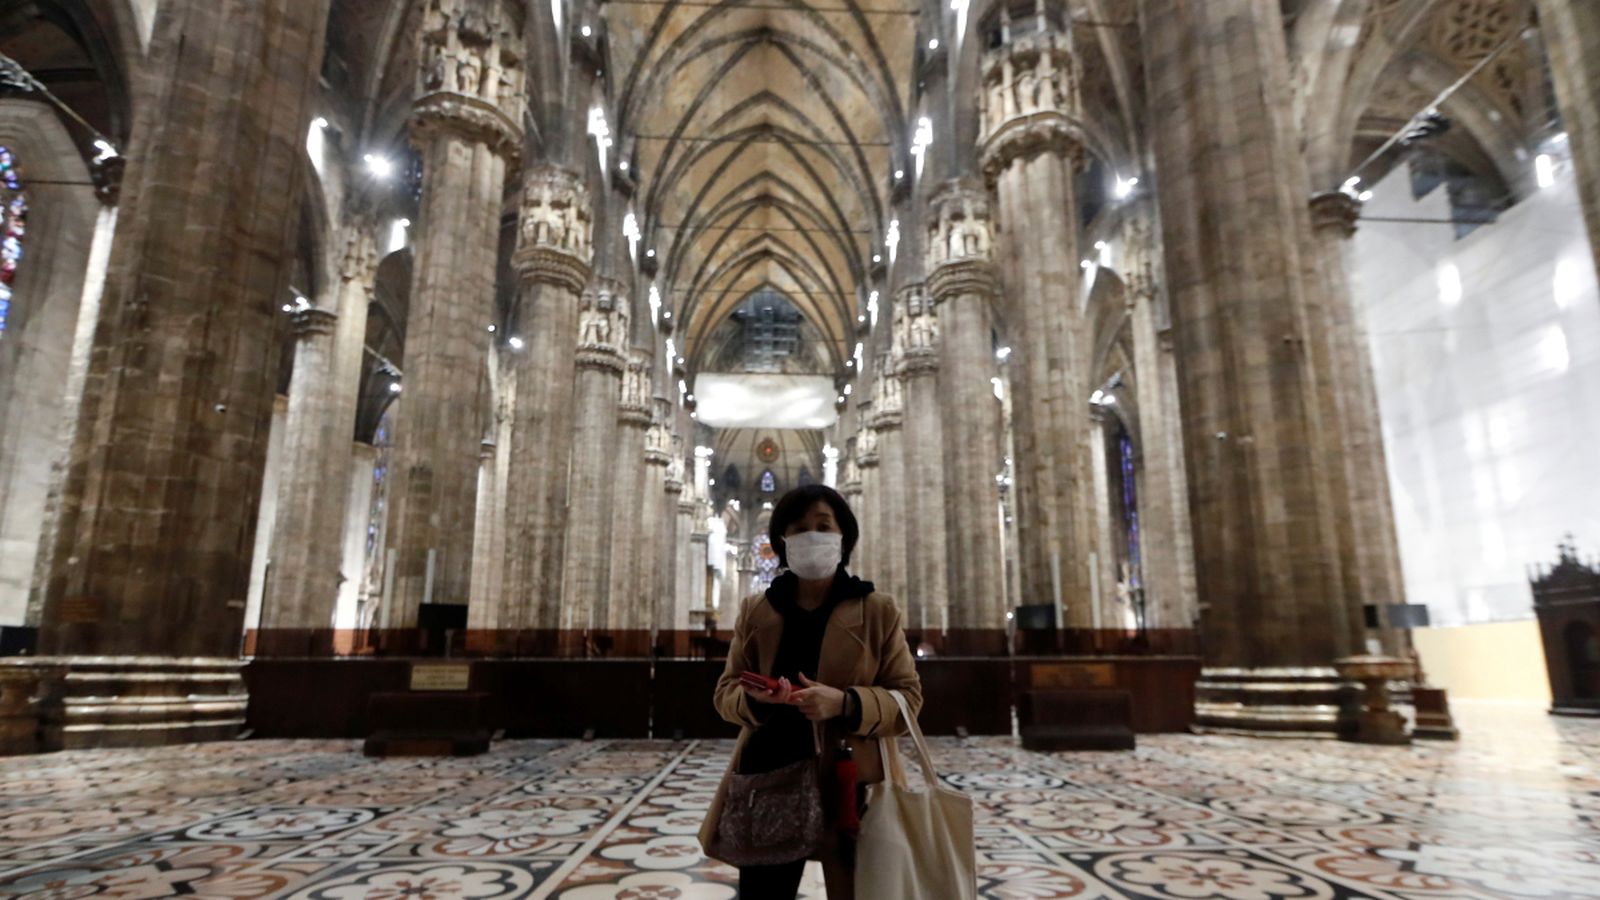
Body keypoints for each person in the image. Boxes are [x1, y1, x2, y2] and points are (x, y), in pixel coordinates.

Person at [697, 484, 923, 899]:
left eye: (823, 526)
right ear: (783, 541)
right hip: (771, 777)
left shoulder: (877, 610)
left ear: (843, 537)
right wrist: (754, 700)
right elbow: (725, 691)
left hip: (850, 778)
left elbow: (908, 699)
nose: (812, 536)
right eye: (799, 528)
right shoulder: (757, 610)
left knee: (855, 888)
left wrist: (846, 703)